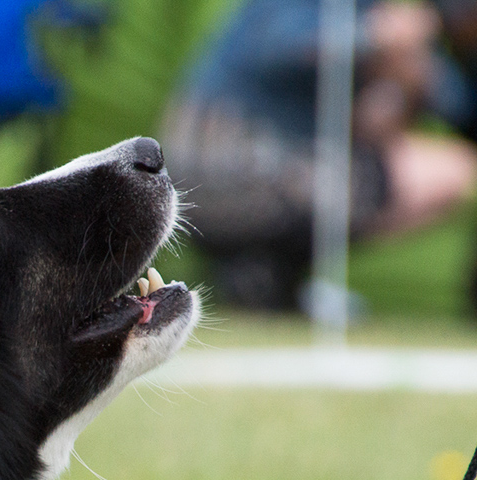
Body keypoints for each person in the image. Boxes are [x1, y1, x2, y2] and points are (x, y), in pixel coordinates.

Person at [164, 0, 477, 310]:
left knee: (450, 164)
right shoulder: (342, 14)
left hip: (279, 167)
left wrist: (409, 77)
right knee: (444, 170)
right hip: (216, 164)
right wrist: (372, 34)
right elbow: (277, 46)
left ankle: (266, 275)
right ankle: (262, 270)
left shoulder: (385, 13)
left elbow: (451, 106)